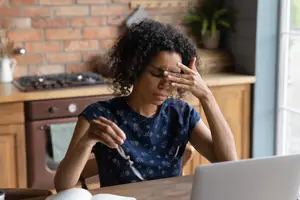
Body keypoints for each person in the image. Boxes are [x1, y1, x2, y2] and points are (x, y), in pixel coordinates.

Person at [54, 19, 238, 192]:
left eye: (174, 75)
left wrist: (206, 96)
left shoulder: (181, 114)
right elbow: (63, 185)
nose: (165, 84)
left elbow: (229, 162)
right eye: (157, 74)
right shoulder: (100, 115)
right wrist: (86, 141)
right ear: (134, 69)